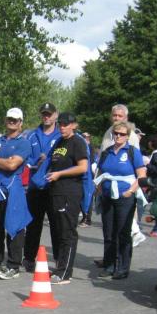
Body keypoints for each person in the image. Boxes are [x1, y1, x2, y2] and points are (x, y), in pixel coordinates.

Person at [0, 108, 32, 281]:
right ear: (5, 120)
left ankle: (13, 265)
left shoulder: (23, 143)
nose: (12, 121)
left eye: (15, 120)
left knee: (14, 226)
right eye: (9, 118)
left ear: (20, 122)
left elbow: (12, 165)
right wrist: (4, 162)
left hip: (14, 188)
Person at [94, 121, 146, 279]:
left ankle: (123, 268)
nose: (118, 136)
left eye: (122, 134)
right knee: (108, 232)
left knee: (123, 232)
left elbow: (141, 175)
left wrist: (130, 191)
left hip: (125, 196)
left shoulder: (132, 152)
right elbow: (100, 172)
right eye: (116, 133)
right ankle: (109, 265)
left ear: (127, 136)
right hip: (108, 195)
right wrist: (100, 189)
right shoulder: (107, 152)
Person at [43, 112, 89, 284]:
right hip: (56, 191)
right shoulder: (59, 142)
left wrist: (60, 174)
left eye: (66, 124)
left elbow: (83, 167)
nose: (62, 127)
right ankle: (59, 267)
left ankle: (65, 272)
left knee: (67, 232)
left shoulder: (78, 142)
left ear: (74, 125)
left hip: (70, 192)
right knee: (58, 231)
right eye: (60, 124)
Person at [23, 103, 61, 272]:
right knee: (33, 225)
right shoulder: (31, 135)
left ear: (55, 115)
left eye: (49, 114)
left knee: (56, 225)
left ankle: (59, 259)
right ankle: (29, 258)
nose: (46, 117)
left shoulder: (61, 135)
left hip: (54, 187)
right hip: (35, 186)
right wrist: (35, 161)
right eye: (44, 114)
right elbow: (25, 157)